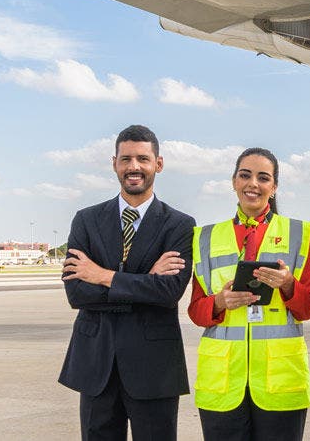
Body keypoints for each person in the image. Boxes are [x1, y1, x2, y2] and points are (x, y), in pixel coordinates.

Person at [59, 125, 197, 441]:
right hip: (97, 364)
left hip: (154, 367)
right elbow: (77, 291)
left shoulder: (179, 224)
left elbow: (168, 292)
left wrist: (103, 276)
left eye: (143, 159)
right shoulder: (86, 219)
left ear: (158, 164)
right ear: (115, 163)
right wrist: (145, 280)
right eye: (126, 159)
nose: (134, 167)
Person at [187, 148, 310, 441]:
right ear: (234, 181)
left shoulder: (299, 233)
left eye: (263, 178)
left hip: (280, 381)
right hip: (223, 381)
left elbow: (308, 308)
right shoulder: (205, 237)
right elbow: (196, 311)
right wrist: (219, 302)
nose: (253, 184)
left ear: (274, 188)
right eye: (245, 175)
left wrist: (287, 285)